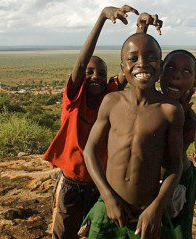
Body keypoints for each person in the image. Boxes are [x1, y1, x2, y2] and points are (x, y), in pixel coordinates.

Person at [42, 5, 138, 238]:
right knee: (64, 233)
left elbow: (132, 66)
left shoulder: (109, 96)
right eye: (91, 72)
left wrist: (141, 28)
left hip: (100, 184)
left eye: (101, 73)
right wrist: (102, 18)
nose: (95, 76)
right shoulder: (74, 100)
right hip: (72, 185)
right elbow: (80, 64)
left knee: (94, 233)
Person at [82, 33, 184, 238]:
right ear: (123, 68)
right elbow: (89, 151)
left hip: (147, 211)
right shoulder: (111, 102)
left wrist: (157, 207)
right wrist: (108, 198)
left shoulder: (170, 110)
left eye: (151, 58)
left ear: (161, 66)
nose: (142, 64)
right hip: (109, 208)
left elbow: (175, 164)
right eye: (133, 58)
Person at [136, 12, 196, 239]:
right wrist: (141, 30)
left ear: (195, 83)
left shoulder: (190, 124)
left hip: (176, 186)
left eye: (186, 72)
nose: (176, 77)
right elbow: (136, 63)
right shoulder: (152, 104)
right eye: (171, 69)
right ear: (160, 72)